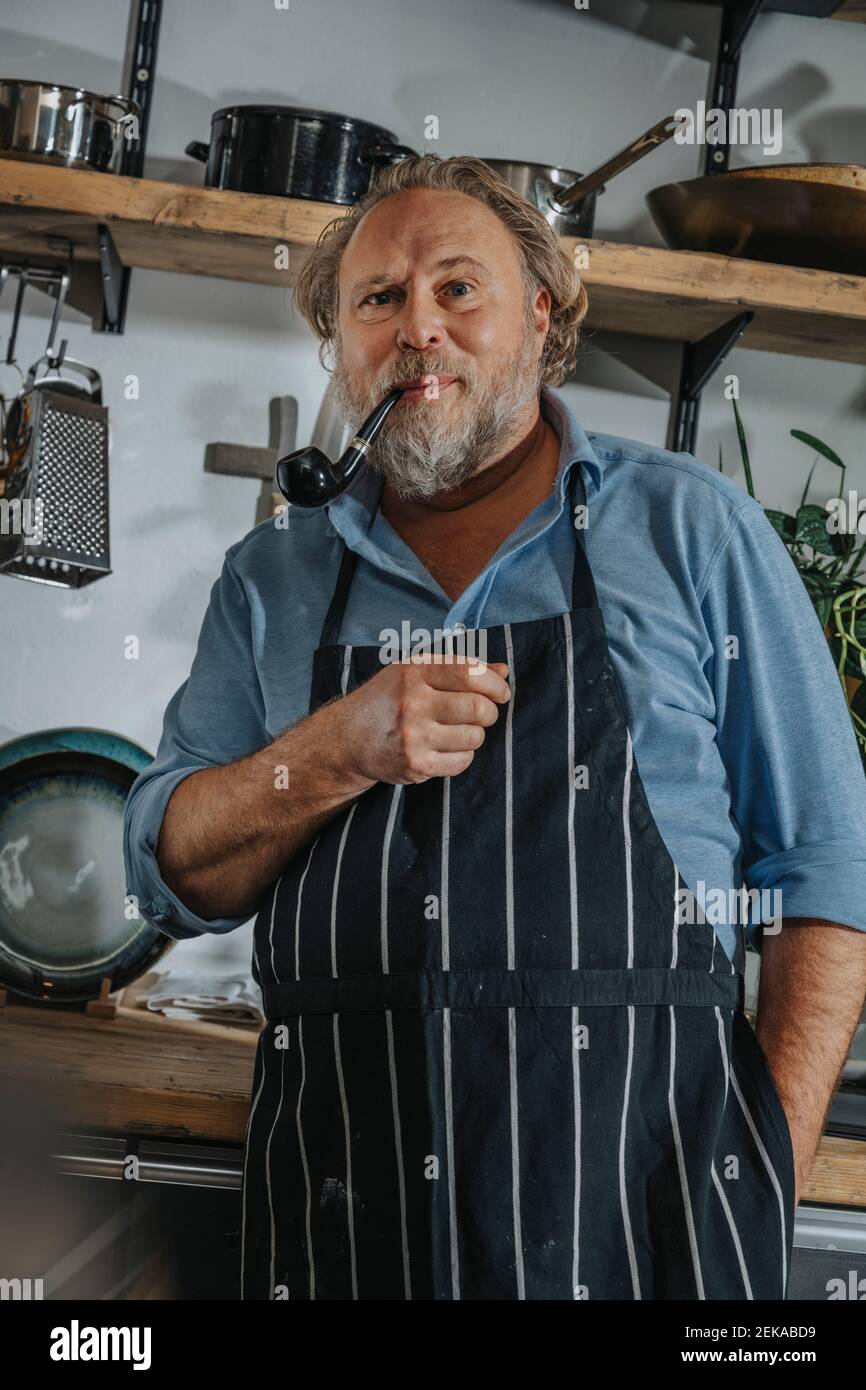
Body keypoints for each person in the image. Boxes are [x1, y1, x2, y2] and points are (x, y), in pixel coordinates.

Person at [123, 155, 866, 1301]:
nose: (417, 327)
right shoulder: (269, 579)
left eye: (456, 289)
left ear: (542, 315)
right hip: (344, 1225)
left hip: (646, 1222)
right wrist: (333, 751)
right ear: (340, 344)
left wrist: (756, 1168)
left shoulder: (690, 530)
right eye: (376, 300)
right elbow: (171, 875)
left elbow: (825, 867)